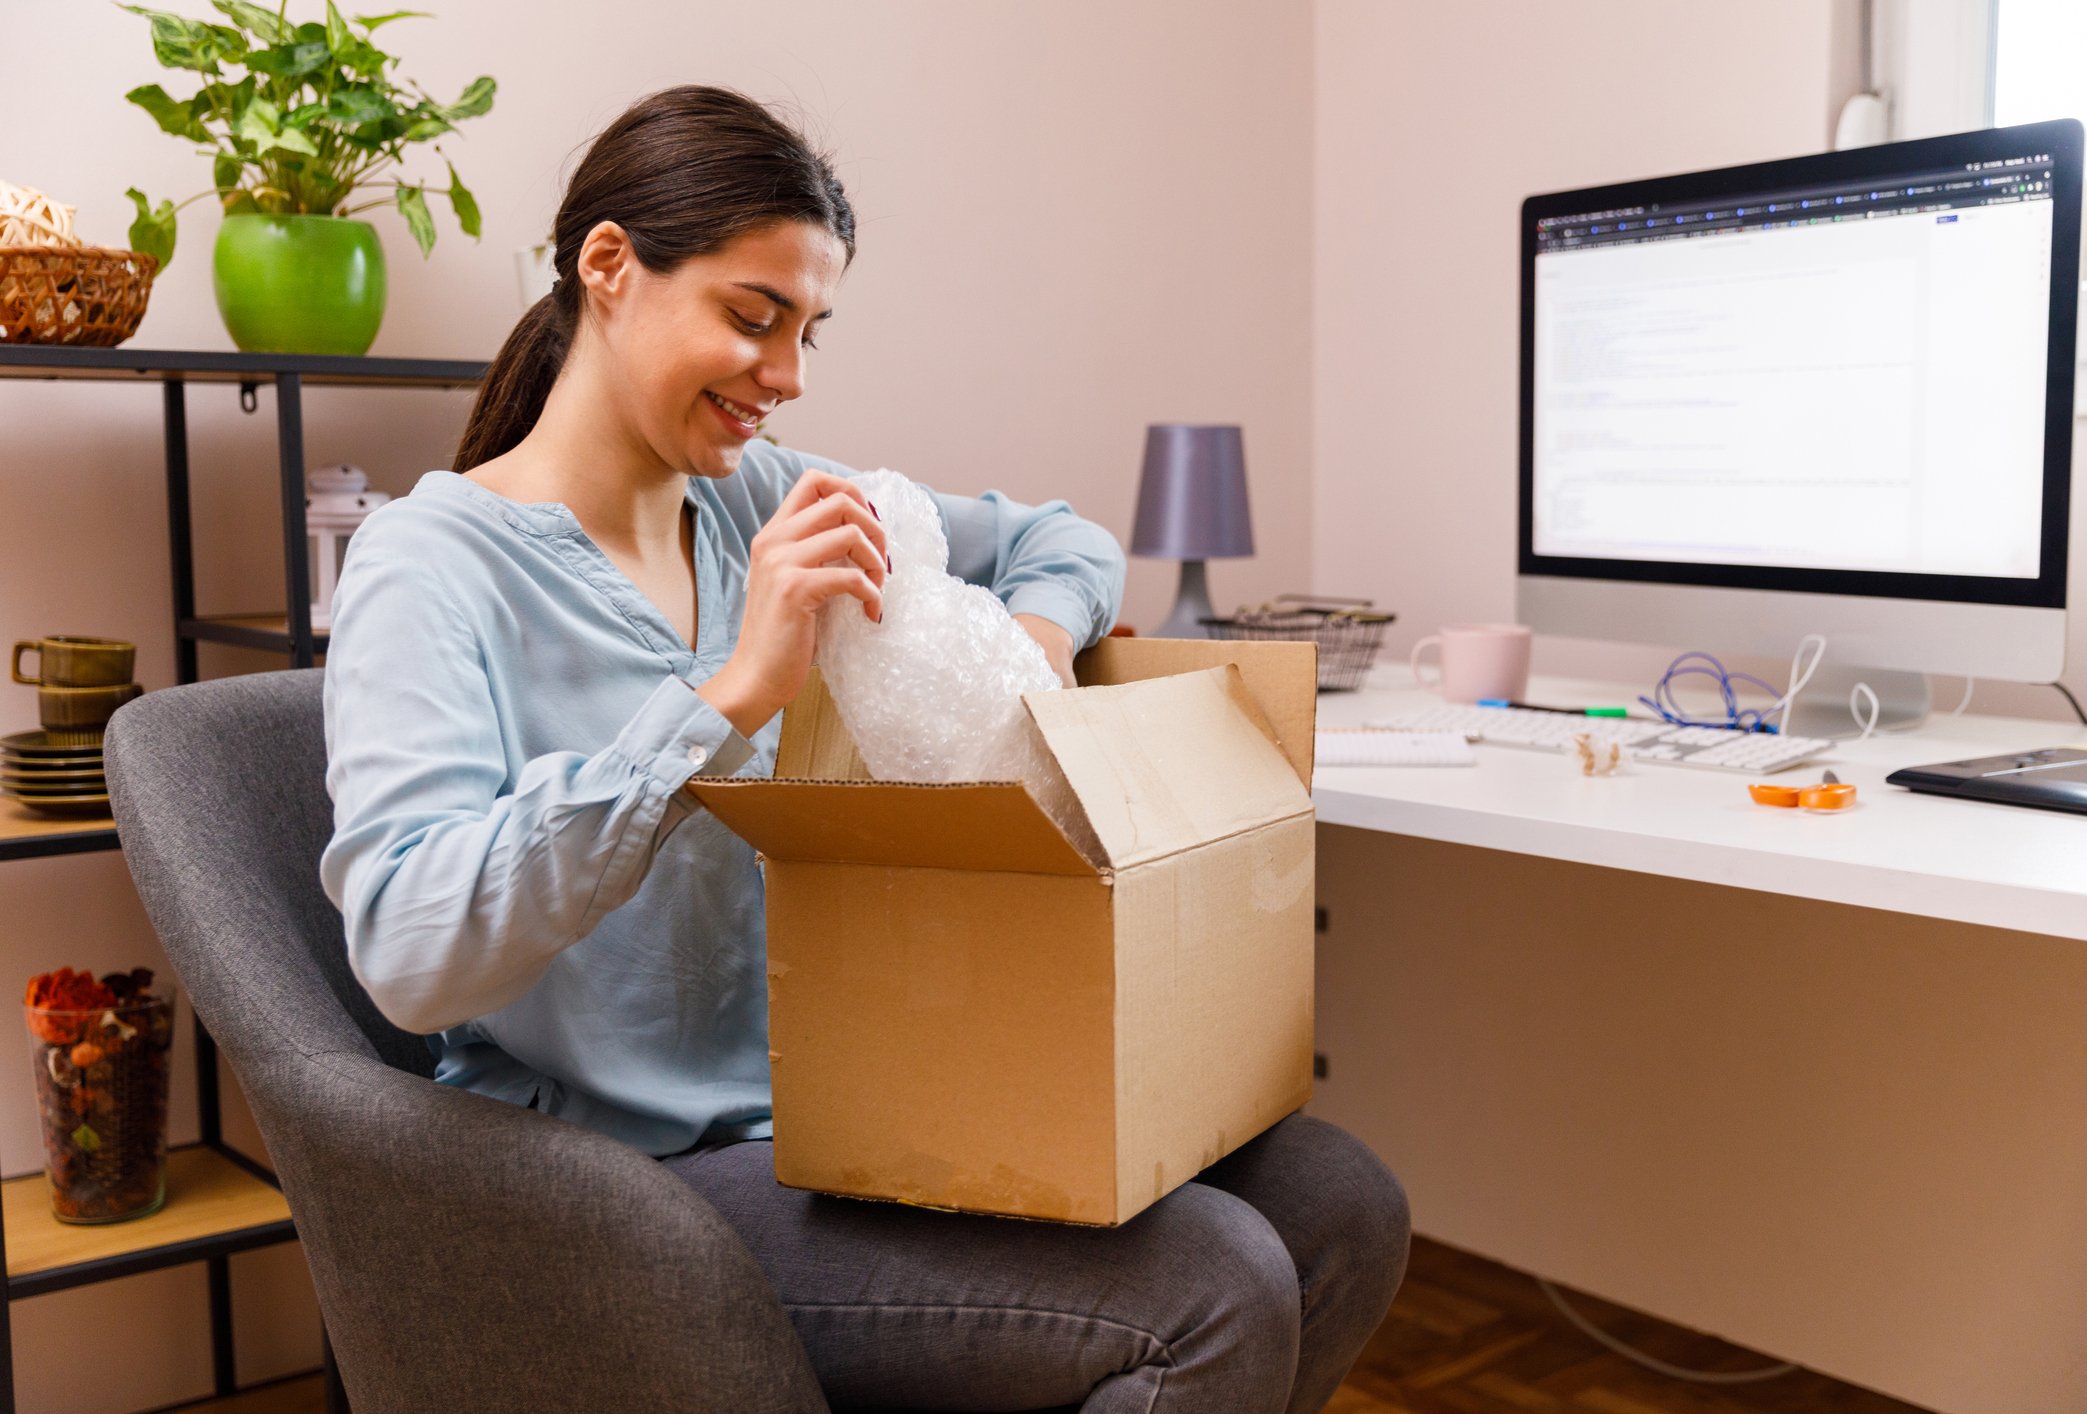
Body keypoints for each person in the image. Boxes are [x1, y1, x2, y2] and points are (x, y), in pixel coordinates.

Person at [320, 84, 1408, 1413]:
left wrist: (1029, 649)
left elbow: (1062, 539)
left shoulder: (763, 498)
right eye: (750, 315)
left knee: (1342, 1204)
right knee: (1214, 1286)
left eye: (808, 330)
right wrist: (728, 696)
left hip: (855, 1101)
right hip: (629, 1179)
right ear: (608, 267)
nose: (784, 376)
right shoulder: (428, 564)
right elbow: (412, 950)